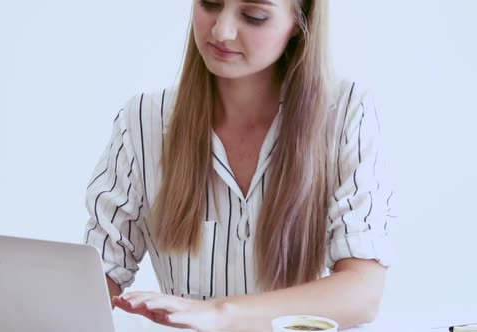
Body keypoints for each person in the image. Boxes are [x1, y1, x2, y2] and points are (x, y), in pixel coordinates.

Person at [83, 0, 396, 331]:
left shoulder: (346, 113)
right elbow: (95, 277)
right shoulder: (142, 121)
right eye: (210, 4)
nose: (222, 31)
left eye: (254, 16)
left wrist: (219, 313)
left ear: (299, 24)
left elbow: (362, 293)